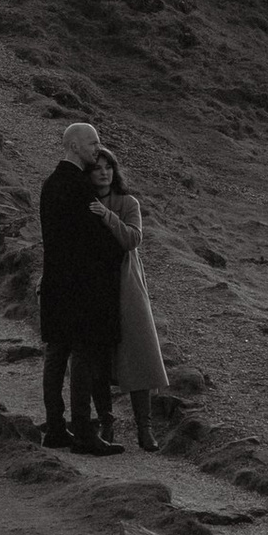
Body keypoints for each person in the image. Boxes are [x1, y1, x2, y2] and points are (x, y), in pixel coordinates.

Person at [38, 122, 122, 454]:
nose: (97, 148)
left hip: (55, 282)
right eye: (92, 143)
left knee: (56, 354)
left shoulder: (50, 184)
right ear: (74, 146)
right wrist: (116, 249)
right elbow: (95, 237)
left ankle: (55, 428)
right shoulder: (78, 186)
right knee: (82, 356)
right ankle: (84, 433)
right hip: (81, 286)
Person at [89, 152, 171, 448]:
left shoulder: (128, 203)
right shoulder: (83, 202)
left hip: (127, 286)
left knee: (139, 352)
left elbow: (132, 239)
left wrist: (107, 215)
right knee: (97, 358)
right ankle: (106, 424)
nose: (104, 173)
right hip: (96, 287)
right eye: (97, 168)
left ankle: (144, 428)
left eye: (109, 167)